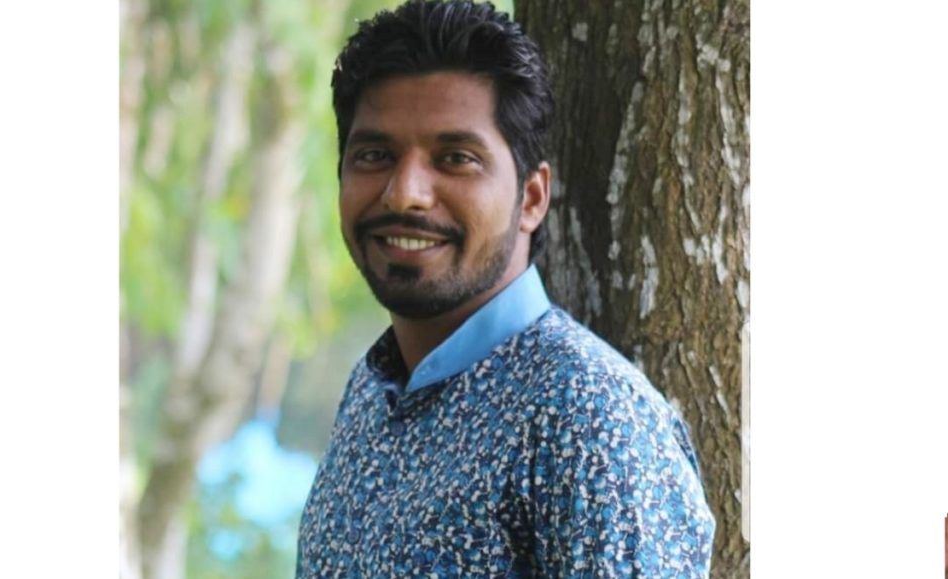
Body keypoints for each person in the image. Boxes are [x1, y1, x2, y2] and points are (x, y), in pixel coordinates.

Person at [296, 1, 715, 576]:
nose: (404, 193)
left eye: (455, 158)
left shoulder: (589, 415)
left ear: (532, 198)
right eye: (375, 155)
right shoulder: (371, 392)